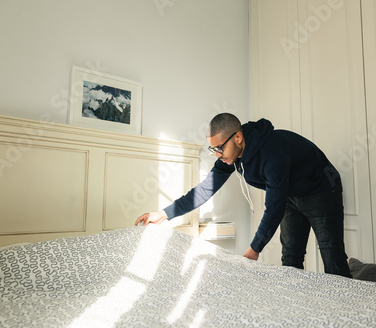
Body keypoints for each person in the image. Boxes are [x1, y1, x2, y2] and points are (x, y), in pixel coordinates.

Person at [135, 113, 352, 278]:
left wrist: (253, 249)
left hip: (321, 189)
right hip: (291, 195)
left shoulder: (271, 153)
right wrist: (163, 214)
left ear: (238, 137)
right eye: (214, 150)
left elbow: (273, 208)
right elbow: (203, 191)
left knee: (332, 259)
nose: (218, 155)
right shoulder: (231, 157)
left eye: (220, 148)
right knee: (291, 257)